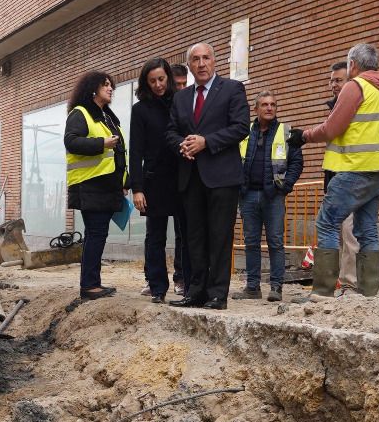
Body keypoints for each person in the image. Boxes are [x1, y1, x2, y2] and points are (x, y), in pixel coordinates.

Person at [298, 43, 379, 297]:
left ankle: (322, 292)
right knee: (367, 229)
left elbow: (332, 128)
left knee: (327, 222)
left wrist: (304, 136)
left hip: (355, 170)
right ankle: (369, 292)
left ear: (352, 64)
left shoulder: (356, 87)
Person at [165, 43, 250, 309]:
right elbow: (170, 131)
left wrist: (206, 142)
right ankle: (196, 291)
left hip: (222, 177)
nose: (201, 64)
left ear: (214, 61)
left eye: (206, 58)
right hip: (190, 177)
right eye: (195, 59)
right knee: (194, 237)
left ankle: (217, 294)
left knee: (220, 237)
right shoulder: (180, 98)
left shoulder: (233, 89)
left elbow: (241, 127)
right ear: (189, 65)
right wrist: (182, 145)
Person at [128, 57, 190, 302]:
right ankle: (157, 287)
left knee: (185, 234)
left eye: (161, 79)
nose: (158, 85)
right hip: (154, 181)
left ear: (169, 78)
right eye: (152, 81)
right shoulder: (140, 110)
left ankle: (184, 280)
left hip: (182, 178)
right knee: (155, 236)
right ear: (146, 82)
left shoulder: (181, 103)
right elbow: (135, 152)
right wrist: (137, 188)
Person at [64, 70, 128, 299]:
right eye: (105, 85)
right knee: (96, 234)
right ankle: (90, 286)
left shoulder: (107, 117)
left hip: (107, 187)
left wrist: (124, 181)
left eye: (111, 85)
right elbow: (71, 142)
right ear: (93, 89)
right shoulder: (80, 113)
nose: (110, 88)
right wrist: (102, 143)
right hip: (91, 186)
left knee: (97, 234)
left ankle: (92, 283)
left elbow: (118, 154)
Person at [234, 92, 303, 301]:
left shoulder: (286, 131)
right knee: (251, 242)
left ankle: (276, 288)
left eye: (273, 104)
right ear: (256, 109)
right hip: (248, 195)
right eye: (264, 105)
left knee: (275, 241)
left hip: (273, 196)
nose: (269, 108)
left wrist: (286, 186)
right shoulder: (244, 132)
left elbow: (296, 162)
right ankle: (252, 288)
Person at [322, 60, 362, 293]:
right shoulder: (335, 108)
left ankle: (349, 285)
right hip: (335, 181)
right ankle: (337, 283)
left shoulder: (354, 108)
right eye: (331, 81)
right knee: (335, 232)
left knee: (350, 234)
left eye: (338, 80)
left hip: (351, 181)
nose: (333, 85)